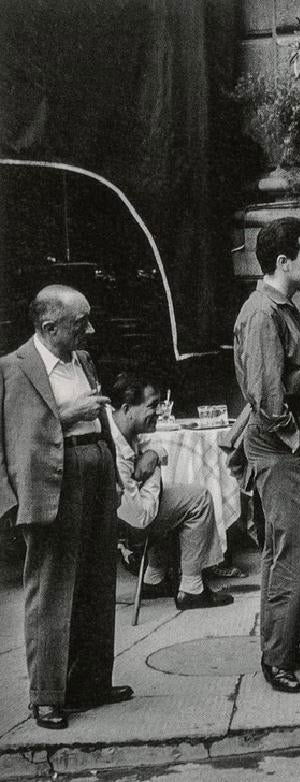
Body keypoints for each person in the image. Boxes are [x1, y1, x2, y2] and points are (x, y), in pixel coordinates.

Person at [0, 285, 132, 729]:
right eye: (81, 324)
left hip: (94, 467)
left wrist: (113, 468)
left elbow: (101, 420)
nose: (89, 330)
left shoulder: (82, 359)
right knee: (52, 588)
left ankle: (91, 682)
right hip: (53, 480)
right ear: (49, 326)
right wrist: (67, 412)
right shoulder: (14, 369)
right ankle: (47, 696)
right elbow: (13, 436)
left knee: (97, 580)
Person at [232, 217, 300, 694]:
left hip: (294, 441)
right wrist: (299, 441)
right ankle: (278, 659)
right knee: (291, 553)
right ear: (282, 262)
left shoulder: (281, 307)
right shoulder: (263, 314)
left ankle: (284, 644)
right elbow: (269, 398)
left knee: (286, 550)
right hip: (284, 446)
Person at [107, 374, 233, 610]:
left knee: (173, 498)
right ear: (127, 409)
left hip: (129, 513)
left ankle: (154, 578)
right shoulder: (116, 451)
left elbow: (157, 449)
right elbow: (141, 518)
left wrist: (152, 454)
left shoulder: (121, 427)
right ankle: (192, 588)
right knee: (199, 499)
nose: (159, 412)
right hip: (126, 528)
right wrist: (153, 471)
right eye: (152, 406)